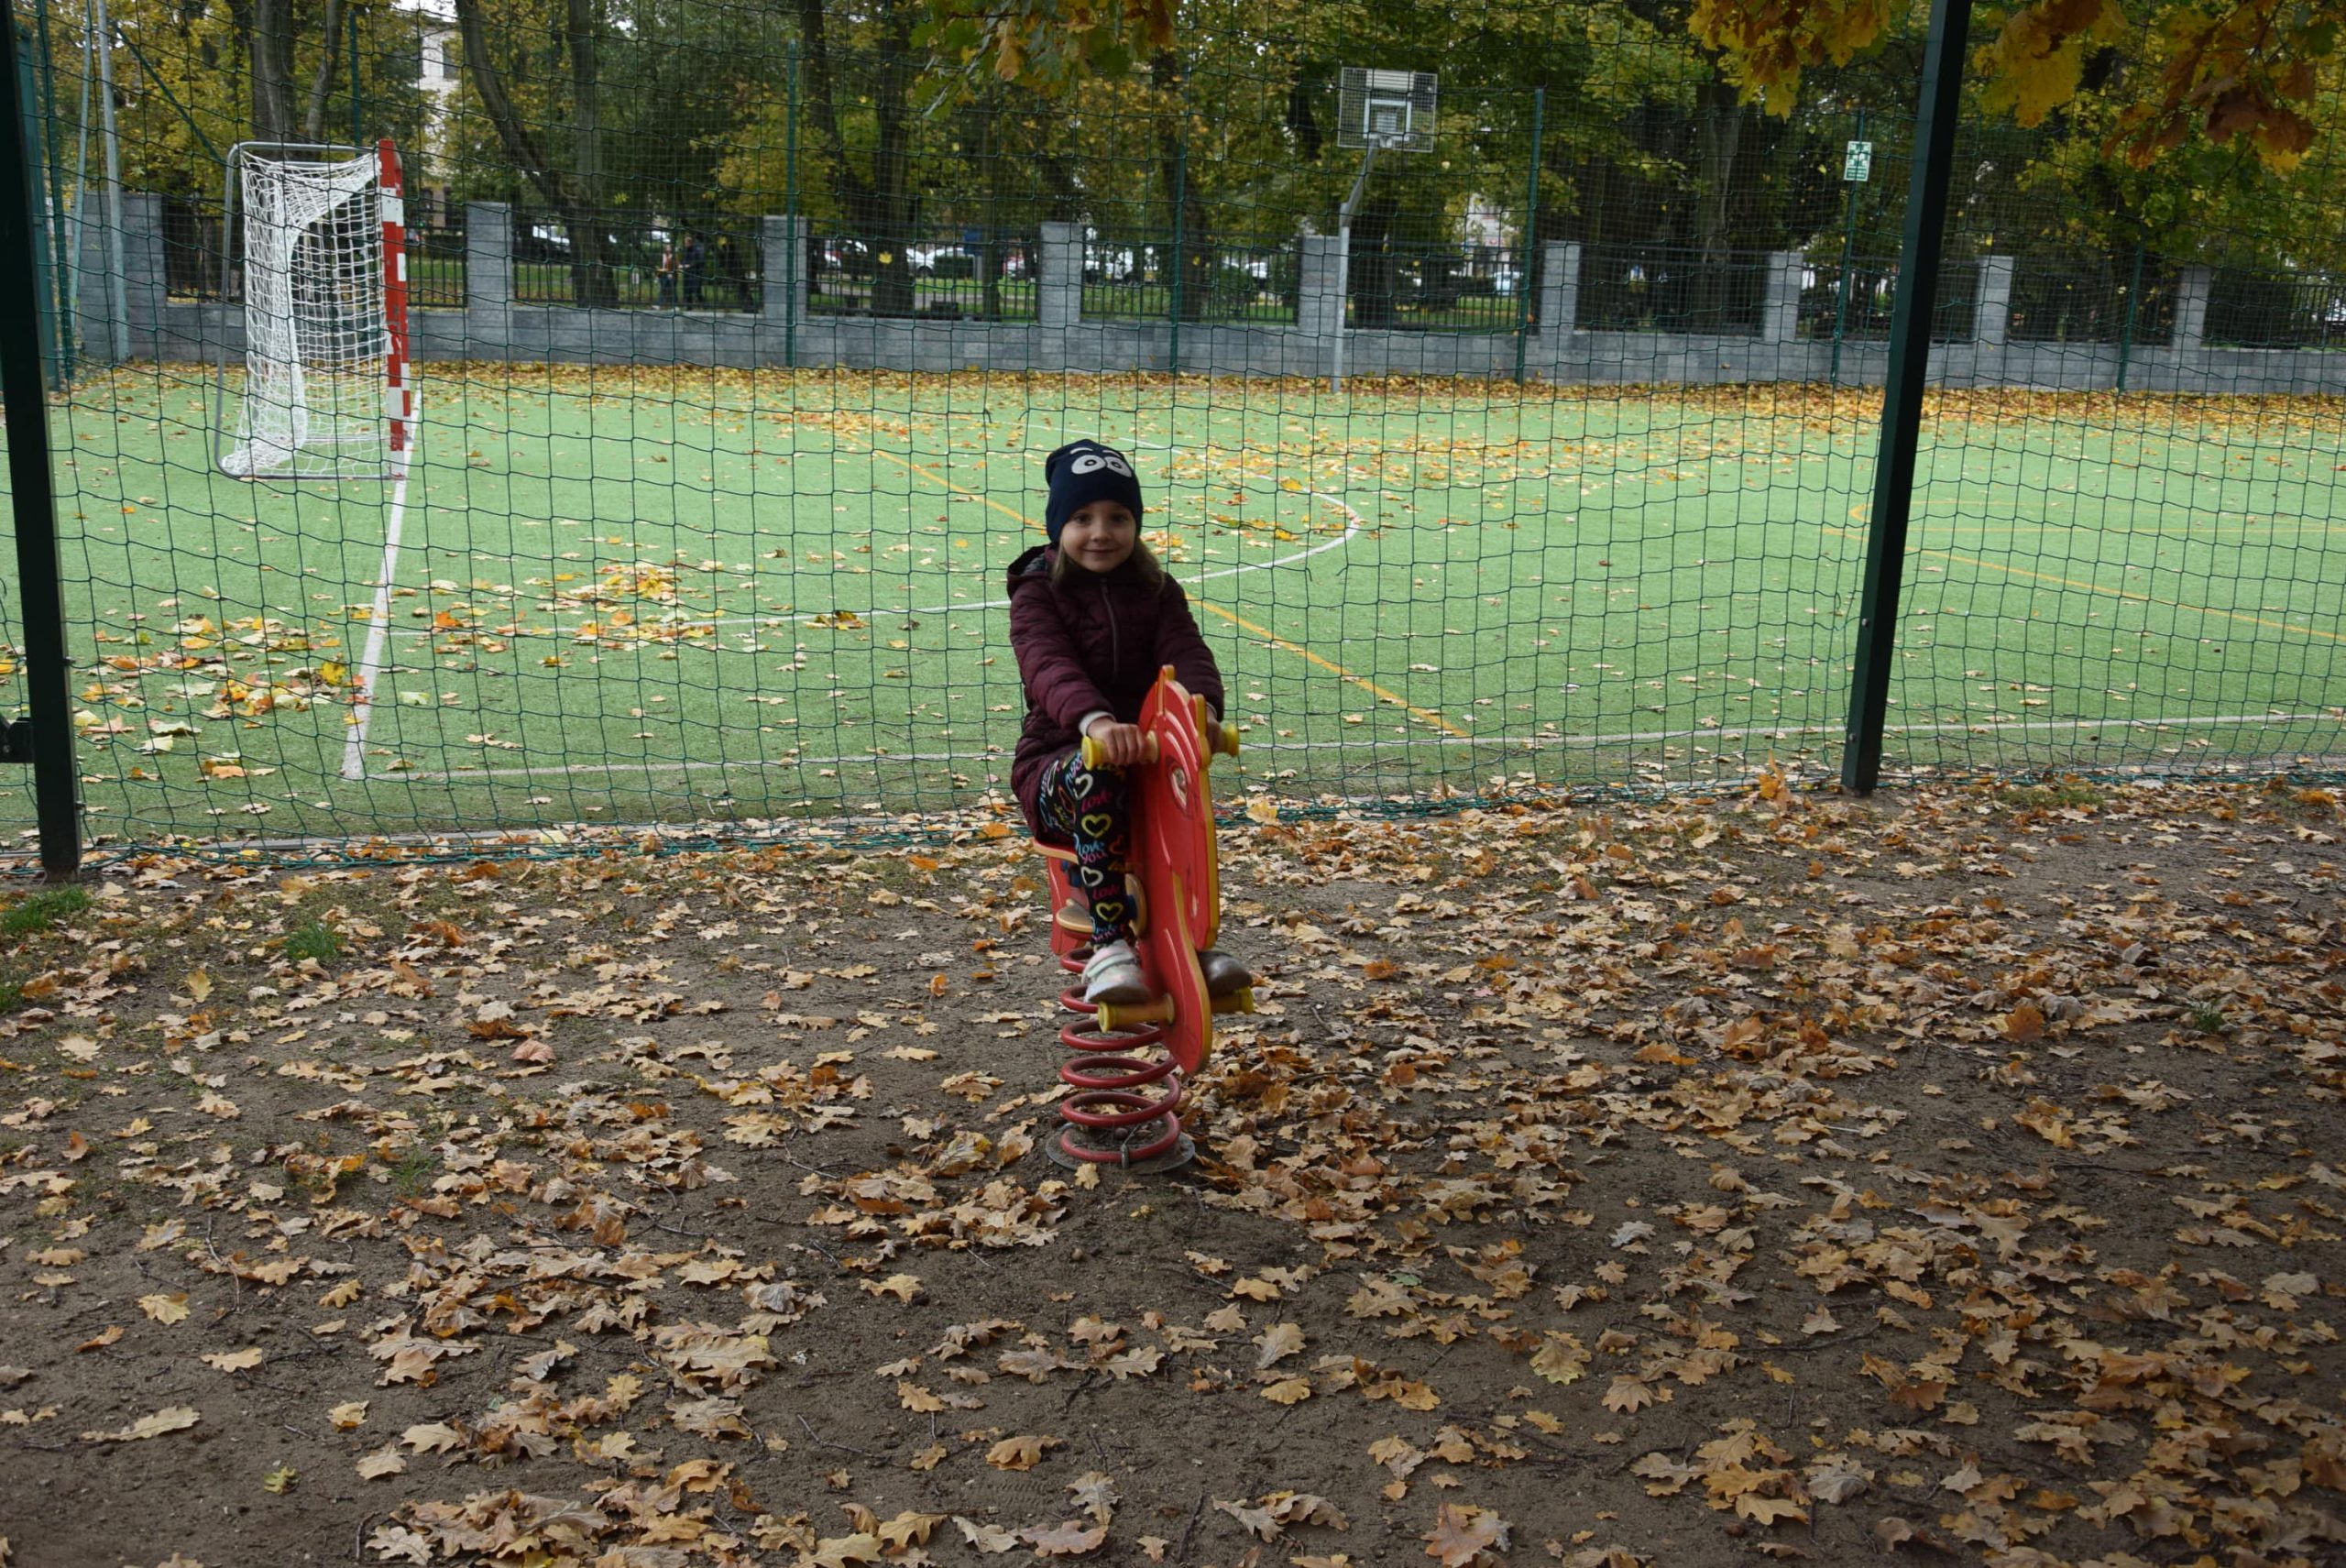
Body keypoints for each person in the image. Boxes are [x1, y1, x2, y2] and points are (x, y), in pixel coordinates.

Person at [1010, 441, 1254, 1005]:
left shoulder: (1156, 590)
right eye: (1082, 518)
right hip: (1059, 763)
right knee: (1095, 775)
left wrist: (1201, 712)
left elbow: (1186, 653)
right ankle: (1110, 947)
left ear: (1136, 524)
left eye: (1118, 517)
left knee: (1182, 798)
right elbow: (1048, 664)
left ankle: (1189, 943)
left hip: (1144, 760)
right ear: (1058, 526)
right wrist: (1095, 723)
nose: (1101, 533)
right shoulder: (1038, 593)